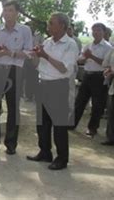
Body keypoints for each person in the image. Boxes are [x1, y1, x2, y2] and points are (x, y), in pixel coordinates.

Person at [27, 13, 79, 170]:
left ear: (62, 25)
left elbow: (64, 68)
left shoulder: (70, 44)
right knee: (42, 123)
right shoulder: (47, 42)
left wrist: (45, 55)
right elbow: (37, 65)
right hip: (44, 83)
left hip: (59, 85)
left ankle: (62, 158)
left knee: (59, 124)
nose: (48, 26)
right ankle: (45, 151)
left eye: (51, 23)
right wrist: (35, 56)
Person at [0, 0, 33, 154]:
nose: (7, 14)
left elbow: (29, 53)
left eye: (10, 10)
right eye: (5, 10)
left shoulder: (25, 30)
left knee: (13, 107)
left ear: (17, 13)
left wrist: (10, 53)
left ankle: (11, 143)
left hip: (15, 70)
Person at [73, 22, 112, 136]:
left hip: (99, 76)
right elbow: (80, 60)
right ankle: (72, 123)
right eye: (94, 30)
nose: (96, 33)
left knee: (97, 104)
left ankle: (92, 128)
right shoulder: (88, 45)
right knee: (80, 101)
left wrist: (91, 56)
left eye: (98, 30)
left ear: (103, 32)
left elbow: (106, 64)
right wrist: (84, 58)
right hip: (87, 74)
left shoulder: (108, 47)